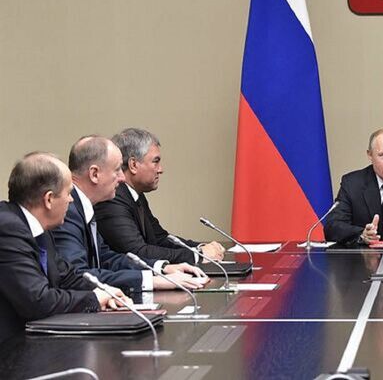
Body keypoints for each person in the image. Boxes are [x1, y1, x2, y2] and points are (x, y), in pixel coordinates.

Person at [0, 153, 129, 342]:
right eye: (68, 193)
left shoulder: (39, 228)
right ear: (49, 199)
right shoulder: (7, 228)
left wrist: (106, 292)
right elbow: (38, 301)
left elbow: (67, 276)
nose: (71, 200)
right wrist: (94, 299)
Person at [53, 136, 207, 294]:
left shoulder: (82, 207)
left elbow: (106, 258)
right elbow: (79, 275)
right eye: (117, 170)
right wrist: (152, 281)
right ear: (94, 174)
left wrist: (161, 269)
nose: (122, 177)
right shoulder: (67, 211)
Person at [95, 128, 224, 264]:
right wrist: (198, 255)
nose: (160, 169)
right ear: (133, 165)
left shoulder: (135, 195)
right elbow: (137, 252)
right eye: (155, 161)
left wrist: (199, 247)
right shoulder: (113, 199)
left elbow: (160, 239)